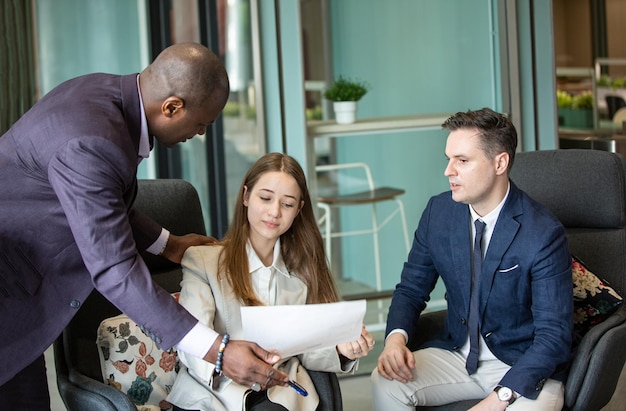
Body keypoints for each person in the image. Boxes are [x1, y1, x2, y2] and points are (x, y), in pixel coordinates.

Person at [0, 42, 236, 409]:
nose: (202, 133)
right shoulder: (91, 140)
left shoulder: (104, 94)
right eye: (202, 123)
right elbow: (114, 269)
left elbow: (102, 200)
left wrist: (169, 244)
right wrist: (214, 349)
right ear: (172, 107)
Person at [370, 108, 573, 410]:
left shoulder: (543, 233)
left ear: (499, 162)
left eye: (462, 161)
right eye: (449, 159)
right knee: (384, 381)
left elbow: (553, 337)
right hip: (456, 354)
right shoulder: (438, 212)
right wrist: (395, 341)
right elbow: (411, 290)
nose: (448, 171)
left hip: (523, 365)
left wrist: (499, 398)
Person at [167, 152, 375, 411]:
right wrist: (227, 362)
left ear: (299, 209)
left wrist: (342, 348)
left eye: (287, 204)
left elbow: (305, 348)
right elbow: (191, 340)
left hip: (277, 391)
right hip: (215, 392)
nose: (274, 212)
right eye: (265, 198)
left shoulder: (303, 269)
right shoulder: (203, 261)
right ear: (245, 196)